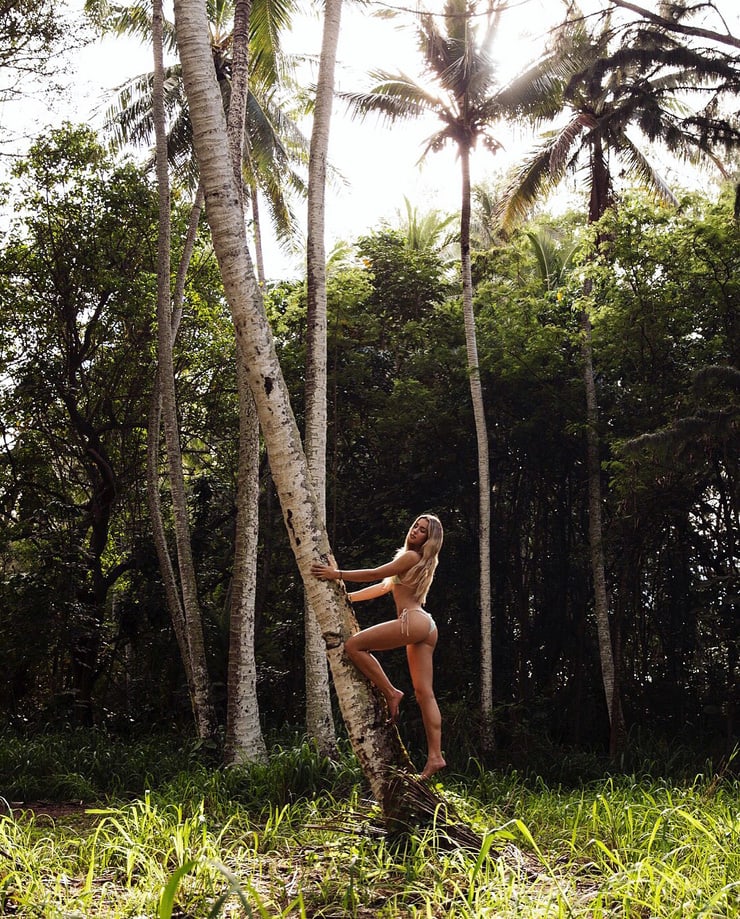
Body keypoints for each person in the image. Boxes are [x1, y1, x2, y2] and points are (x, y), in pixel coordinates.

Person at [311, 514, 445, 780]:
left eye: (422, 531)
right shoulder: (418, 562)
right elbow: (382, 586)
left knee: (354, 646)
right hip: (426, 626)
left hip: (412, 621)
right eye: (415, 526)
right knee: (424, 694)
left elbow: (375, 572)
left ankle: (391, 692)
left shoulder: (410, 558)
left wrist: (335, 574)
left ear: (429, 540)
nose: (415, 532)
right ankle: (436, 757)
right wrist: (347, 598)